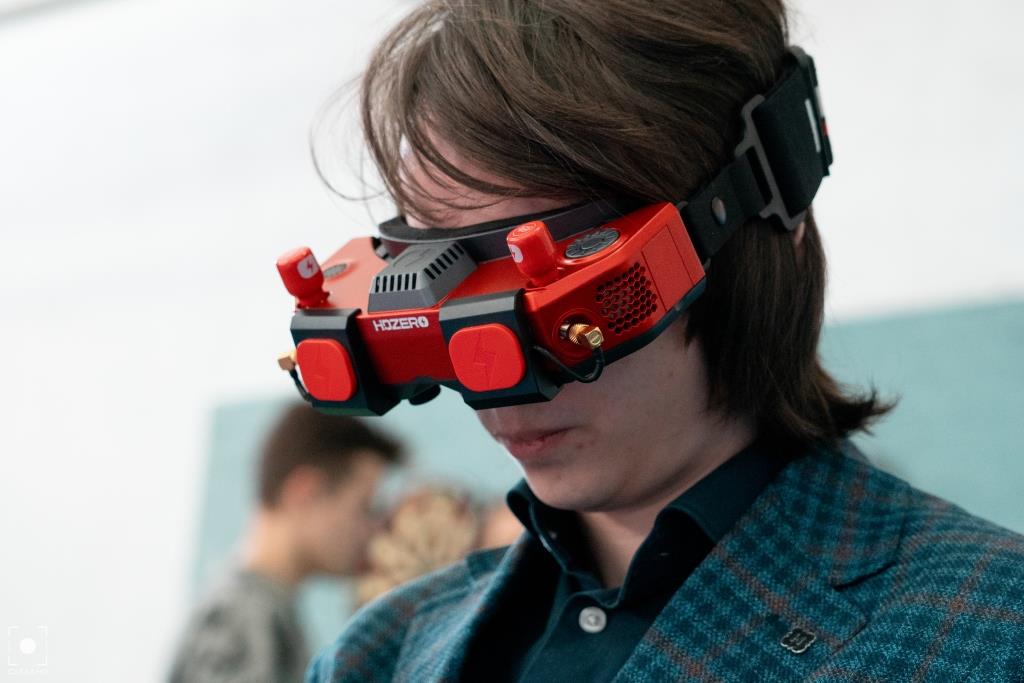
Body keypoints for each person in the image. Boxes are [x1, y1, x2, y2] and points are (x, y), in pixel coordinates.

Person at [306, 1, 1024, 681]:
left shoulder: (992, 633)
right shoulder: (372, 657)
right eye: (446, 302)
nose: (494, 383)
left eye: (564, 301)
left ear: (762, 208)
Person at [168, 403, 403, 683]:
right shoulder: (241, 619)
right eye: (365, 507)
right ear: (305, 492)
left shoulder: (262, 612)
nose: (374, 530)